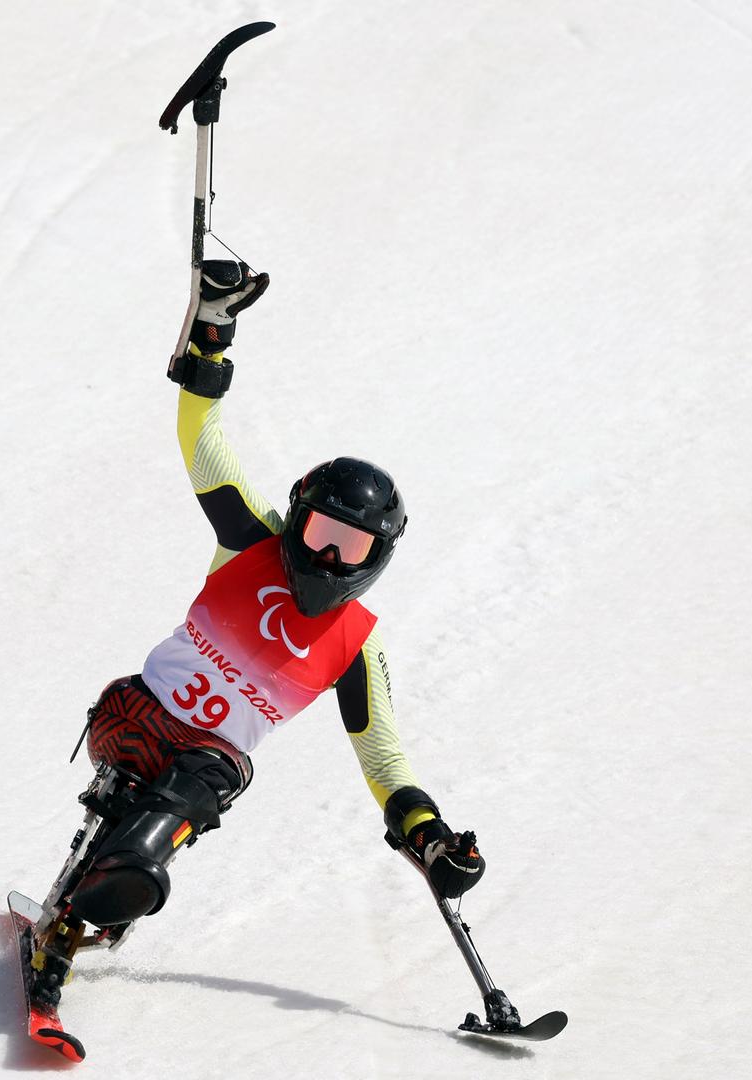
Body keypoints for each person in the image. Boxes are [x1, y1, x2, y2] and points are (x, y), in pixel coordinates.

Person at [31, 261, 483, 1005]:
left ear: (380, 558)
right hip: (135, 716)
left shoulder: (355, 647)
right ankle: (112, 888)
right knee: (200, 780)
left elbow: (383, 758)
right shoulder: (253, 542)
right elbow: (200, 436)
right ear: (296, 515)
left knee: (211, 776)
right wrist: (212, 333)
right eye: (319, 532)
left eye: (352, 546)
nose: (327, 557)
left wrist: (429, 835)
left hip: (202, 769)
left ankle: (115, 886)